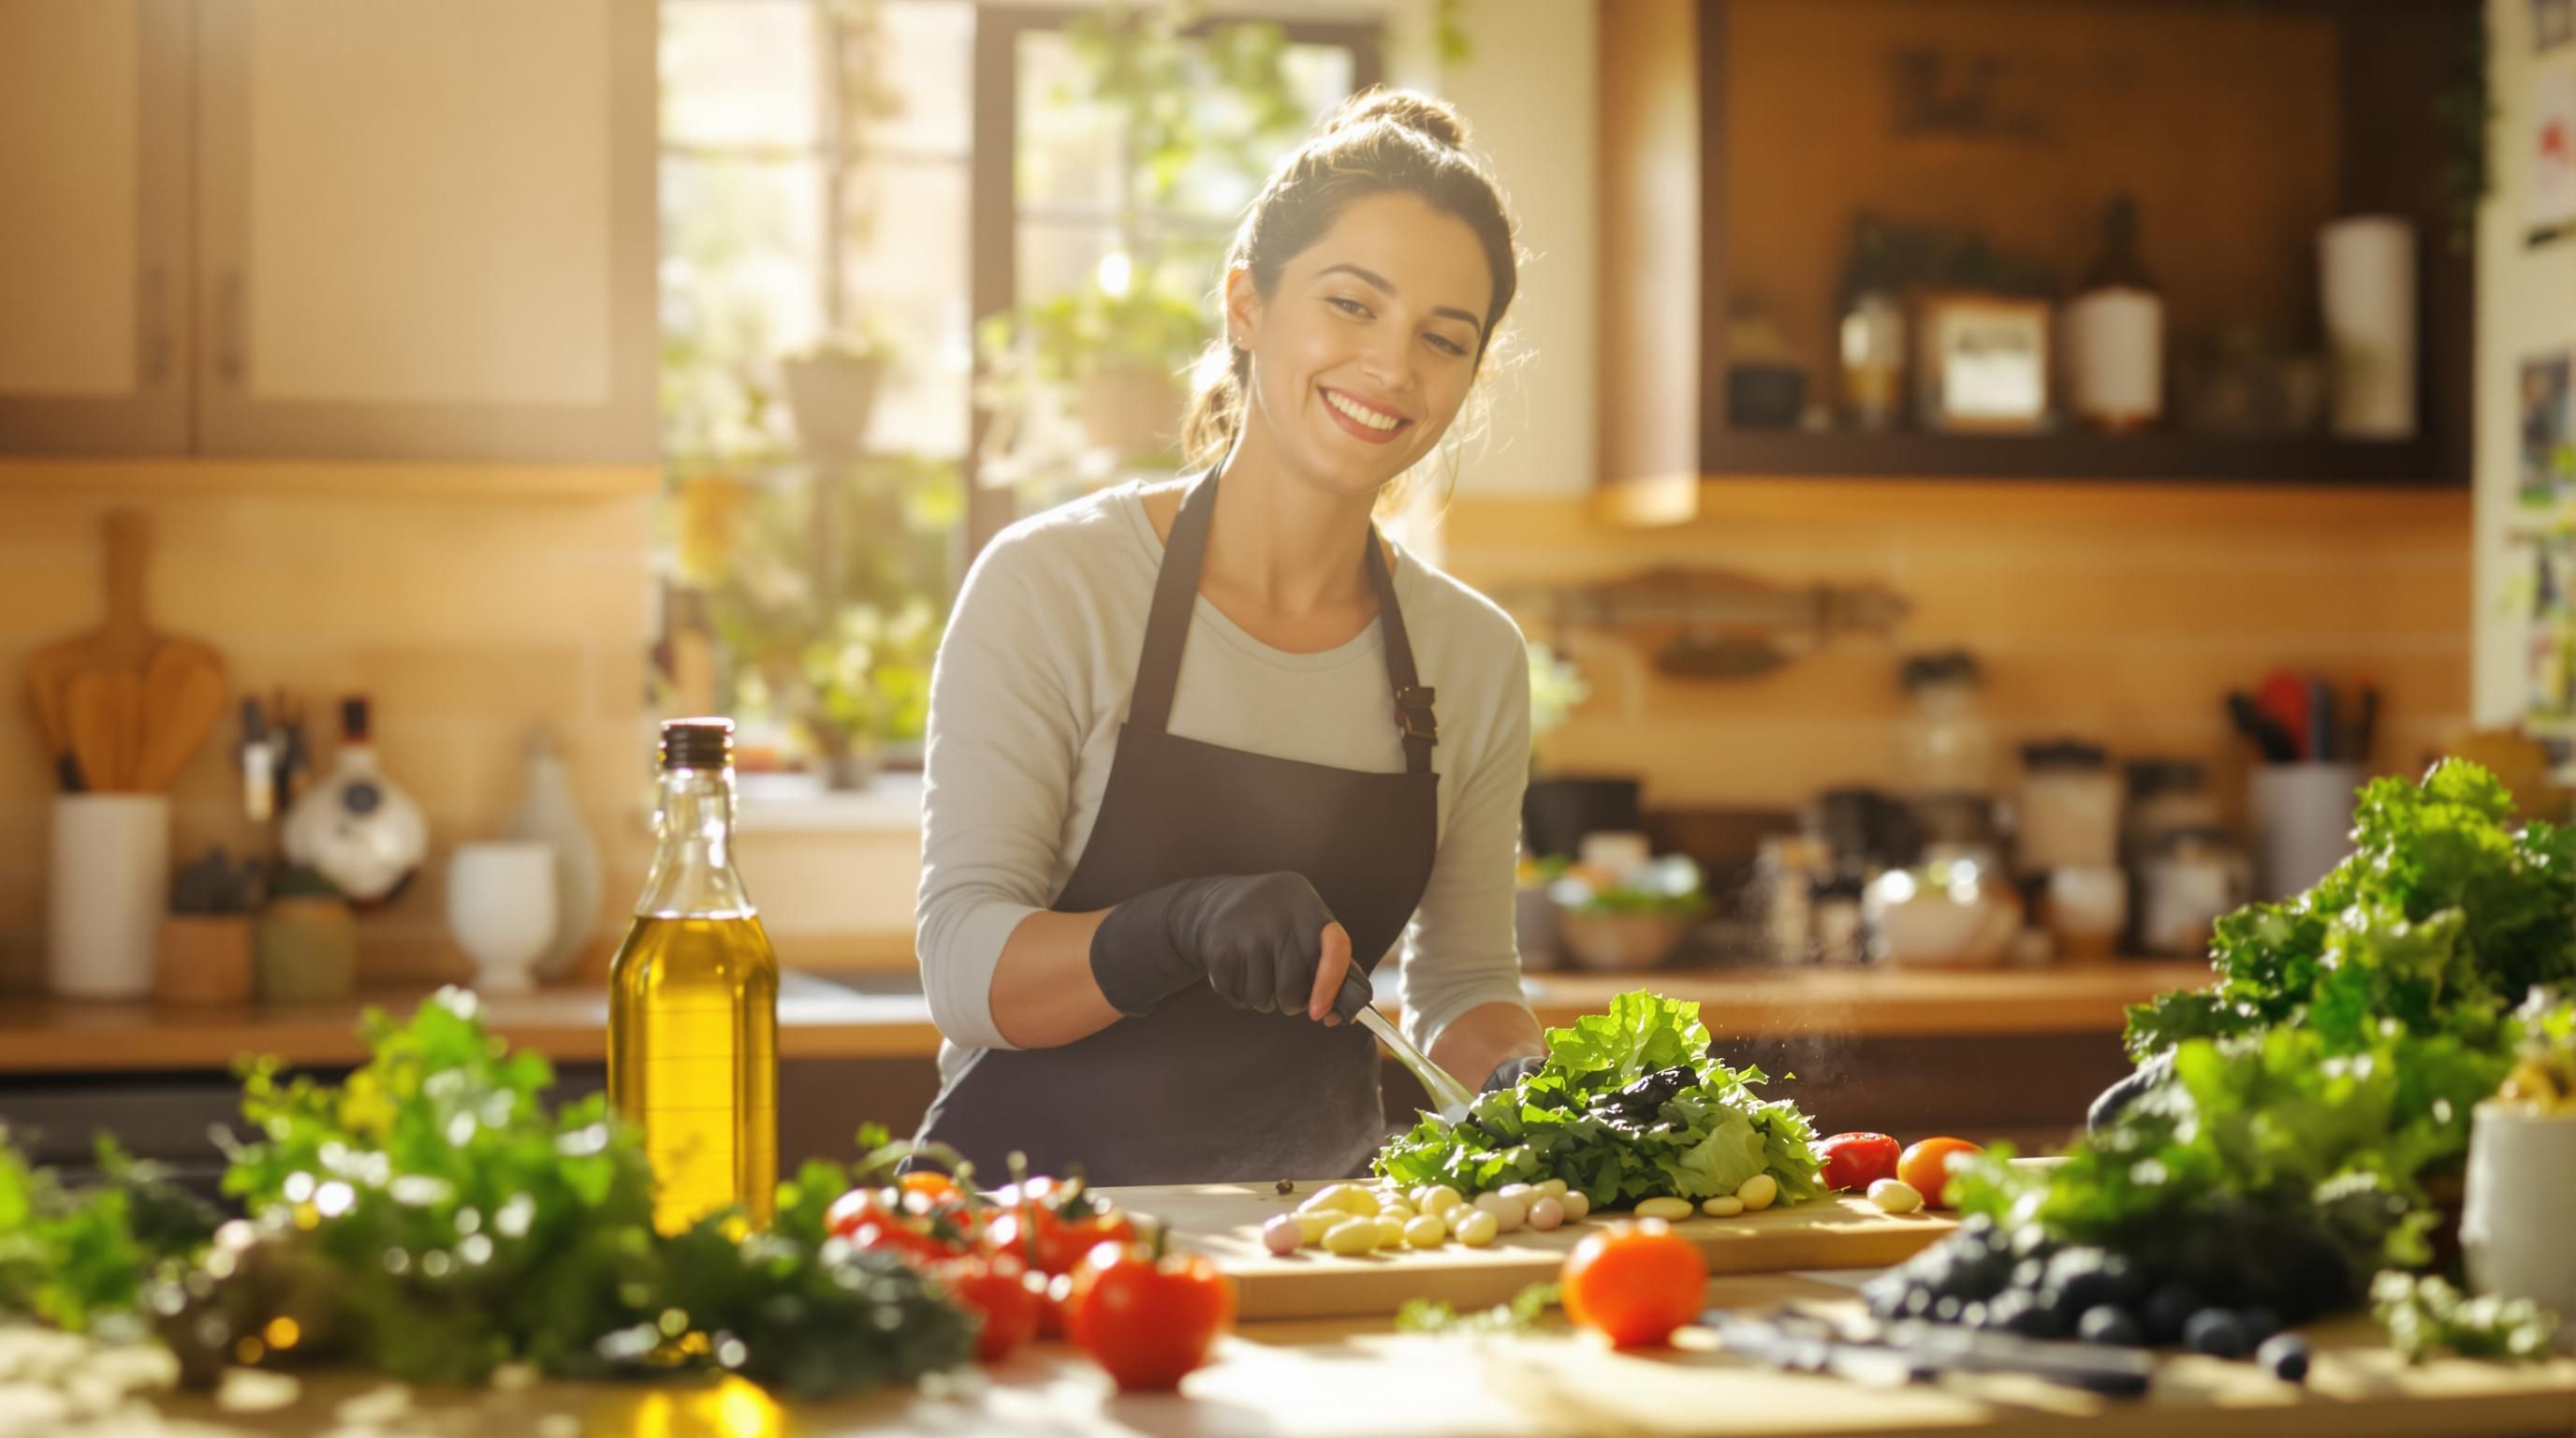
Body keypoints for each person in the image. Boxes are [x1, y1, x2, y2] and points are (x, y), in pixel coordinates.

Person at [912, 88, 1545, 1185]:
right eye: (1352, 306)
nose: (1392, 368)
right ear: (1247, 304)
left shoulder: (1469, 658)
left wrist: (1560, 1106)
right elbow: (966, 967)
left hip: (1316, 1239)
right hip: (1033, 1240)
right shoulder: (1055, 586)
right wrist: (1176, 927)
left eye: (1443, 339)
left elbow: (1462, 988)